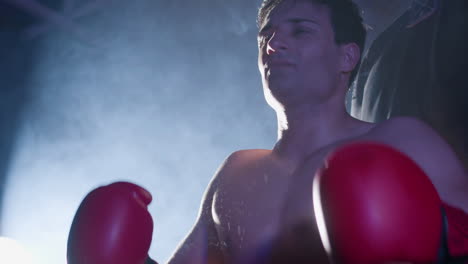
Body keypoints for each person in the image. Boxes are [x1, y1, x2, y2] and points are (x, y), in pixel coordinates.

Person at [67, 0, 468, 263]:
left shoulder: (402, 141)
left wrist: (430, 239)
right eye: (266, 35)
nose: (273, 44)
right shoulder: (237, 172)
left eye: (300, 30)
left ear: (347, 55)